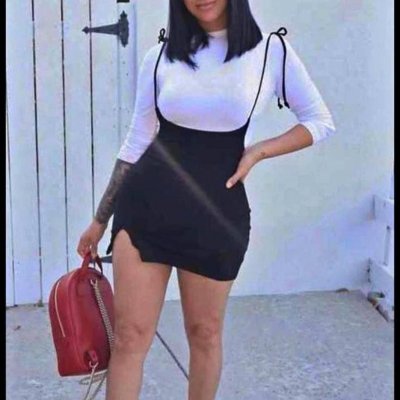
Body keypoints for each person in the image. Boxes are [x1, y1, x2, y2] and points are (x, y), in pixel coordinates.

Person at [77, 0, 336, 399]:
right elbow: (136, 141)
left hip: (217, 216)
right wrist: (99, 220)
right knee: (129, 337)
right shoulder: (159, 56)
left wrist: (259, 151)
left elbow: (319, 121)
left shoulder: (270, 51)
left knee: (205, 333)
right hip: (145, 209)